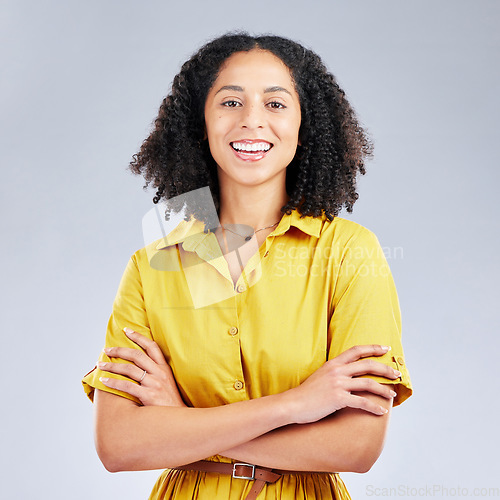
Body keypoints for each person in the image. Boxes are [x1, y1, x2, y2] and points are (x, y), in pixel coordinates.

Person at [82, 32, 412, 500]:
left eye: (276, 104)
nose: (252, 121)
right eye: (230, 102)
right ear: (201, 122)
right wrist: (295, 405)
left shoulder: (349, 252)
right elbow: (117, 446)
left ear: (304, 126)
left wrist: (182, 425)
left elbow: (356, 447)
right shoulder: (151, 267)